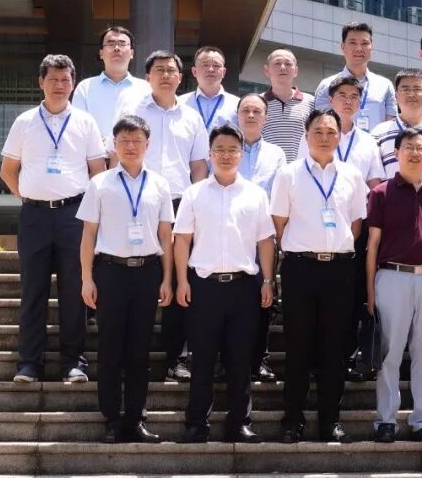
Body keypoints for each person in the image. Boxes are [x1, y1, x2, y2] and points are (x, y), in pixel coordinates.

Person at [0, 54, 107, 383]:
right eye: (53, 79)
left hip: (74, 216)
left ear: (73, 83)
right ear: (41, 83)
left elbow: (98, 171)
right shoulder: (24, 121)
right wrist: (28, 196)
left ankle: (73, 362)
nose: (59, 85)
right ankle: (29, 363)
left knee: (75, 290)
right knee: (33, 289)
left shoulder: (86, 122)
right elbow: (8, 170)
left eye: (65, 80)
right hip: (34, 216)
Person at [270, 109, 369, 443]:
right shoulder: (288, 174)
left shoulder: (352, 175)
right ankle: (292, 420)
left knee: (334, 348)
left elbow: (356, 224)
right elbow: (279, 223)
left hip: (339, 269)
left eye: (331, 132)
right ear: (306, 134)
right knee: (297, 347)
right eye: (318, 131)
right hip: (301, 268)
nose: (324, 137)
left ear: (340, 136)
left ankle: (330, 421)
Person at [112, 50, 210, 383]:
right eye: (159, 70)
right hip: (138, 202)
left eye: (171, 70)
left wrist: (196, 202)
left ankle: (176, 357)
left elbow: (198, 165)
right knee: (135, 272)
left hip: (181, 203)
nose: (165, 75)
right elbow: (117, 156)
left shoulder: (192, 117)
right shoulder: (132, 112)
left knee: (180, 277)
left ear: (181, 77)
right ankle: (125, 356)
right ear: (147, 76)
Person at [76, 114, 174, 443]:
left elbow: (166, 236)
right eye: (124, 141)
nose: (131, 146)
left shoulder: (159, 185)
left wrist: (167, 279)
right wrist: (87, 278)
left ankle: (136, 418)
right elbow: (88, 234)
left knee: (139, 350)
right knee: (110, 348)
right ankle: (112, 419)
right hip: (110, 272)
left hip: (147, 272)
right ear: (113, 145)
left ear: (148, 144)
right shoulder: (100, 184)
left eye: (137, 141)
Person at [176, 125, 276, 444]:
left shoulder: (255, 194)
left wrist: (267, 280)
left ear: (241, 154)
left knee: (240, 359)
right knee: (202, 358)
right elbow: (182, 240)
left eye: (233, 150)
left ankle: (239, 423)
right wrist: (181, 280)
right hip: (204, 286)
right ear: (209, 153)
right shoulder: (194, 194)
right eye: (219, 149)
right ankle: (196, 423)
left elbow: (265, 241)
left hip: (243, 287)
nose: (226, 155)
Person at [366, 128, 422, 444]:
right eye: (408, 147)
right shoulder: (381, 193)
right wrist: (370, 289)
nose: (414, 153)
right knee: (389, 352)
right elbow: (372, 245)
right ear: (396, 153)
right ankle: (386, 419)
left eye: (420, 148)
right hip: (392, 277)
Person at [299, 76, 384, 383]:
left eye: (354, 97)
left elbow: (375, 183)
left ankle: (345, 356)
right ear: (331, 100)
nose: (348, 101)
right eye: (342, 96)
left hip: (355, 226)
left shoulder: (368, 141)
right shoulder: (312, 135)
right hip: (315, 230)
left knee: (351, 296)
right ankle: (312, 360)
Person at [236, 93, 287, 383]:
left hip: (263, 237)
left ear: (266, 118)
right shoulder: (226, 147)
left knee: (264, 298)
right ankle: (227, 359)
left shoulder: (276, 154)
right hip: (229, 234)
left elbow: (280, 196)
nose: (251, 115)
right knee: (229, 299)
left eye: (257, 111)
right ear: (238, 116)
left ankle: (259, 359)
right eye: (246, 110)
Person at [370, 69, 422, 198]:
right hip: (391, 207)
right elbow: (374, 179)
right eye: (405, 89)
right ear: (396, 96)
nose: (411, 94)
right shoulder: (379, 133)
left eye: (417, 89)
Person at [72, 26, 151, 142]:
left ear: (132, 53)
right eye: (111, 44)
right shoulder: (85, 88)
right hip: (94, 152)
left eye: (122, 44)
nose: (117, 48)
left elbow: (151, 126)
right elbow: (77, 126)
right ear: (101, 53)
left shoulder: (146, 89)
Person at [313, 22, 396, 130]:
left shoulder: (385, 85)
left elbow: (391, 126)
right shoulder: (326, 85)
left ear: (372, 47)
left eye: (364, 43)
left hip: (376, 141)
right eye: (352, 43)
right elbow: (321, 125)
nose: (359, 49)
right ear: (343, 47)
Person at [261, 48, 314, 163]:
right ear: (267, 70)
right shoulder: (257, 103)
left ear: (296, 71)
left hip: (300, 170)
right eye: (277, 63)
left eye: (288, 64)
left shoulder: (311, 102)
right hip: (267, 169)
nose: (283, 67)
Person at [179, 46, 240, 132]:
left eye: (216, 65)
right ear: (194, 71)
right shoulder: (179, 103)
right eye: (205, 65)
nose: (211, 69)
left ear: (223, 72)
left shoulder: (238, 105)